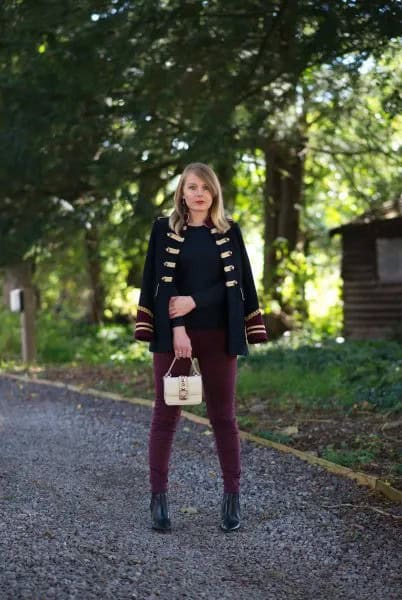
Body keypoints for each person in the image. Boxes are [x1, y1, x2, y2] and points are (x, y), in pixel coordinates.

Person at [135, 162, 268, 533]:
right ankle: (158, 498)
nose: (198, 194)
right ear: (182, 192)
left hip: (218, 336)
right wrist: (178, 328)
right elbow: (160, 283)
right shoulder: (163, 230)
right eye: (192, 187)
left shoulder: (230, 232)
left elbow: (237, 286)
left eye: (205, 188)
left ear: (214, 193)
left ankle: (231, 498)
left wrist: (195, 300)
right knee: (166, 415)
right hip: (173, 337)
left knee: (223, 417)